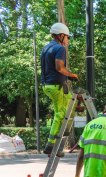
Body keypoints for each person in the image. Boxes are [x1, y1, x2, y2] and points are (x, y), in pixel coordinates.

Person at [41, 22, 79, 157]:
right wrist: (72, 75)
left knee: (71, 103)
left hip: (47, 85)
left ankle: (66, 130)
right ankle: (51, 146)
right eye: (68, 37)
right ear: (61, 35)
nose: (68, 40)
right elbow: (59, 68)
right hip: (57, 86)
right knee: (60, 114)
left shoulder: (46, 48)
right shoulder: (60, 48)